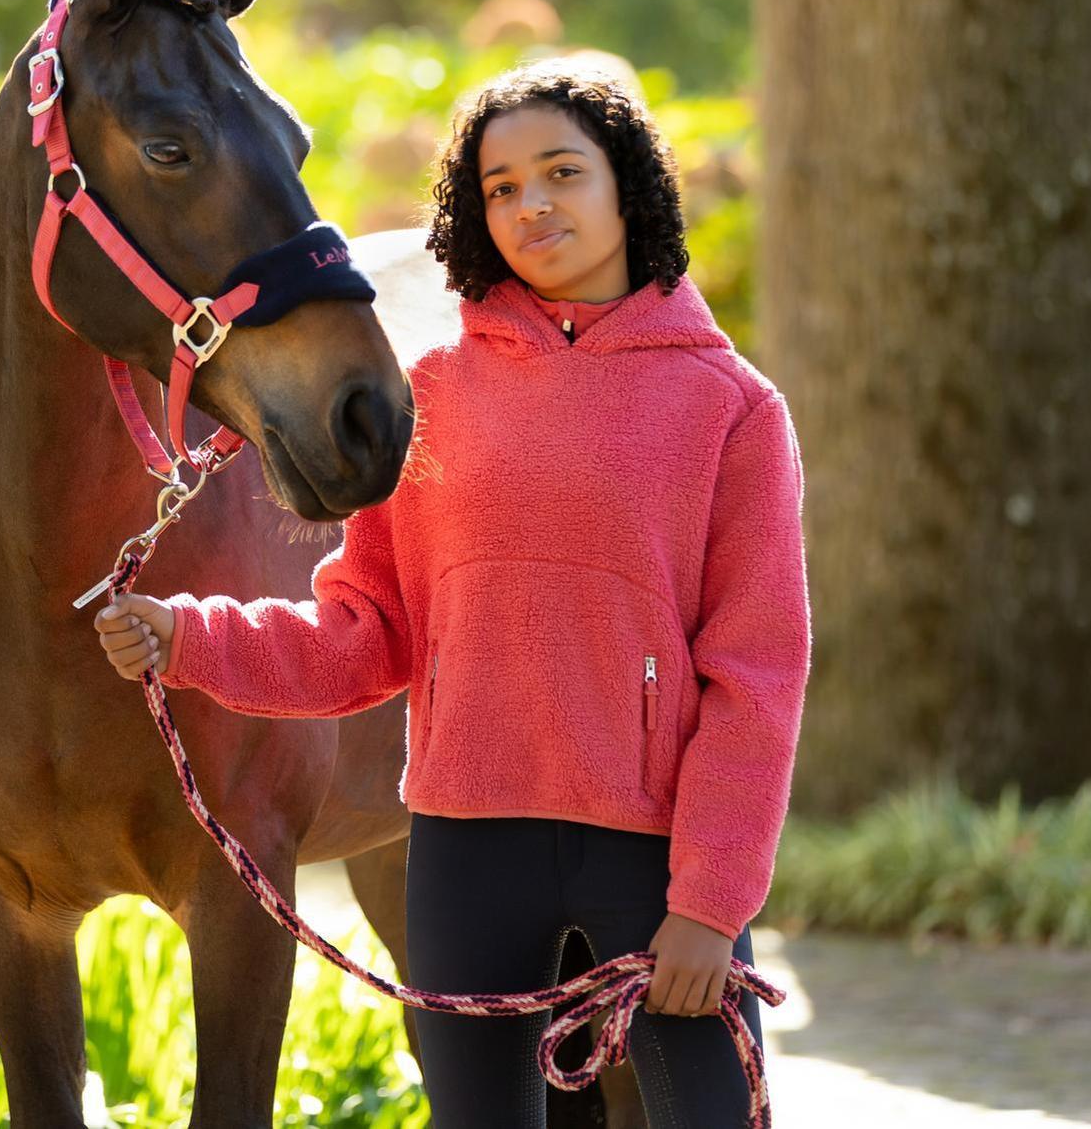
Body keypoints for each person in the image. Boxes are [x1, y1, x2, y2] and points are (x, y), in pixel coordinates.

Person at [92, 60, 810, 1127]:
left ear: (629, 184)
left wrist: (708, 907)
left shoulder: (731, 409)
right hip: (468, 853)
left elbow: (755, 676)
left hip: (653, 861)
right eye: (502, 187)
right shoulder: (432, 396)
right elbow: (362, 636)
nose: (532, 205)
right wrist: (187, 638)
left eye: (563, 172)